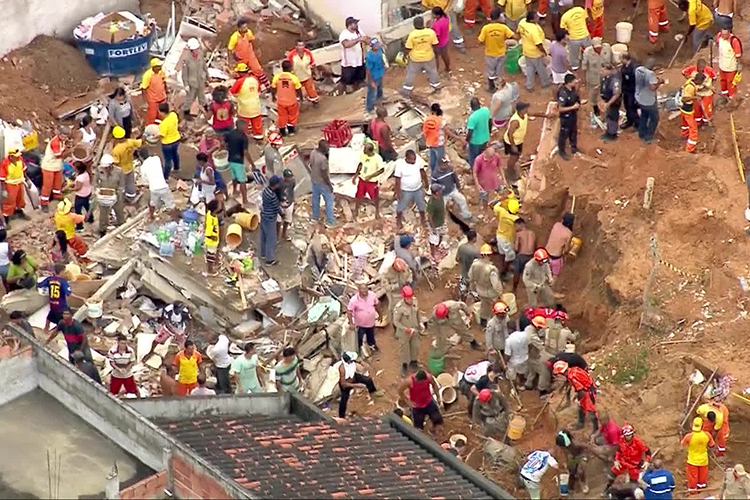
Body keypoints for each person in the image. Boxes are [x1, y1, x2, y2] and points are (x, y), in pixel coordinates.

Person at [605, 424, 652, 492]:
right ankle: (607, 488)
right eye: (626, 435)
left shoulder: (638, 442)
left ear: (632, 434)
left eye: (629, 435)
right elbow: (618, 451)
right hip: (623, 461)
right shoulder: (621, 440)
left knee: (633, 483)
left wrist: (647, 461)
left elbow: (648, 452)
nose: (628, 437)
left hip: (634, 465)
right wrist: (616, 460)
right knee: (613, 473)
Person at [553, 359, 598, 430]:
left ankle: (596, 429)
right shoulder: (573, 370)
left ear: (562, 373)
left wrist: (578, 399)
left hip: (588, 392)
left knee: (590, 410)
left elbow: (581, 391)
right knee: (581, 408)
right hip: (588, 388)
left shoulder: (573, 377)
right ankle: (581, 423)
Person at [401, 16, 441, 97]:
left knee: (411, 73)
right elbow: (435, 45)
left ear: (414, 25)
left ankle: (407, 90)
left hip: (415, 59)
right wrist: (436, 55)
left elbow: (408, 48)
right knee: (432, 71)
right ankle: (436, 87)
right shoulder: (430, 32)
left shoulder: (412, 35)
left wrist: (405, 55)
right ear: (423, 23)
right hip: (429, 56)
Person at [337, 352, 384, 418]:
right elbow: (343, 384)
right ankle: (341, 416)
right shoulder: (342, 369)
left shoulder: (352, 362)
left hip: (354, 376)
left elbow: (364, 364)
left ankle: (373, 392)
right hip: (347, 384)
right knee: (344, 400)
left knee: (368, 380)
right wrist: (357, 385)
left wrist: (363, 363)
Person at [479, 8, 515, 92]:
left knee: (490, 70)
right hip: (501, 53)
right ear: (499, 17)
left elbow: (480, 41)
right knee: (499, 71)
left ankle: (491, 87)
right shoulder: (503, 28)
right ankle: (499, 87)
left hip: (490, 53)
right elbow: (514, 36)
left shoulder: (486, 28)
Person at [228, 18, 269, 90]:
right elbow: (230, 49)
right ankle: (242, 89)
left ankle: (267, 87)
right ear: (239, 28)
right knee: (240, 74)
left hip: (250, 55)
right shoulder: (234, 37)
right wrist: (231, 61)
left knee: (258, 70)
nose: (246, 29)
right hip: (240, 58)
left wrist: (256, 50)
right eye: (243, 28)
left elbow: (252, 41)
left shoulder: (248, 32)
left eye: (246, 27)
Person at [400, 362, 443, 430]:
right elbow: (400, 391)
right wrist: (407, 401)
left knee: (437, 419)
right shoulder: (409, 381)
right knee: (418, 426)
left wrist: (438, 397)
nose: (417, 381)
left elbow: (434, 385)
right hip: (417, 406)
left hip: (429, 402)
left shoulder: (429, 377)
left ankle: (434, 430)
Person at [469, 244, 503, 326]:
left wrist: (473, 288)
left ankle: (483, 323)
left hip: (480, 290)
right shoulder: (491, 269)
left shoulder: (475, 264)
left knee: (484, 306)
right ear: (490, 255)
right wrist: (500, 293)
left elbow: (470, 277)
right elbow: (496, 285)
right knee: (494, 308)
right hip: (490, 293)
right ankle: (495, 324)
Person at [139, 149, 177, 221]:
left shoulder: (142, 167)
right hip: (163, 186)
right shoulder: (156, 159)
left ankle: (151, 216)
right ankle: (175, 219)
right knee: (171, 205)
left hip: (154, 189)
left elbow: (145, 181)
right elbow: (161, 164)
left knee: (152, 204)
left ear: (141, 157)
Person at [230, 63, 264, 141]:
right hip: (255, 106)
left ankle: (244, 138)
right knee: (257, 123)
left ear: (240, 73)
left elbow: (232, 92)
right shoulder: (255, 79)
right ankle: (259, 137)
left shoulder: (239, 82)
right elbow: (258, 90)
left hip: (244, 108)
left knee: (243, 124)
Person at [395, 150, 428, 229]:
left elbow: (422, 171)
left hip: (418, 189)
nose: (414, 161)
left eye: (415, 159)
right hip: (406, 191)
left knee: (421, 206)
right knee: (401, 206)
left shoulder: (418, 160)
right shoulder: (400, 165)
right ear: (407, 158)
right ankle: (398, 221)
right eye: (412, 160)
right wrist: (398, 192)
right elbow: (397, 179)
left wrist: (426, 182)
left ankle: (423, 220)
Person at [394, 285, 422, 376]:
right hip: (404, 332)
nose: (410, 300)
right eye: (408, 298)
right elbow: (396, 322)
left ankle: (413, 362)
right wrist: (406, 329)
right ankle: (404, 365)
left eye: (410, 298)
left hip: (415, 330)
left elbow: (418, 313)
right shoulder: (399, 308)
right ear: (404, 297)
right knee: (404, 349)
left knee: (415, 346)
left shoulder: (415, 301)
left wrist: (420, 322)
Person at [38, 263, 75, 335]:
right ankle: (54, 334)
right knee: (63, 323)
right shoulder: (63, 282)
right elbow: (68, 293)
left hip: (52, 304)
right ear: (61, 272)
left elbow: (40, 285)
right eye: (64, 272)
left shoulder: (49, 279)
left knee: (50, 316)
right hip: (61, 306)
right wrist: (81, 298)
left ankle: (46, 329)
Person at [680, 417, 714, 493]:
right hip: (703, 460)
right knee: (702, 477)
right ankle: (702, 490)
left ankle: (693, 491)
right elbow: (712, 445)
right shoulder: (707, 435)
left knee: (692, 477)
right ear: (702, 426)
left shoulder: (689, 436)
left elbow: (682, 444)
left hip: (692, 460)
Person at [582, 37, 613, 117]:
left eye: (599, 47)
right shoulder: (587, 52)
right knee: (593, 93)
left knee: (608, 92)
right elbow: (584, 66)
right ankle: (595, 108)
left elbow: (612, 60)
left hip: (606, 76)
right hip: (594, 77)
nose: (598, 49)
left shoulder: (607, 48)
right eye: (596, 48)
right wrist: (584, 80)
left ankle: (608, 107)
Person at [518, 12, 550, 91]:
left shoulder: (522, 22)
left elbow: (518, 31)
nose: (538, 17)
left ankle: (529, 85)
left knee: (529, 68)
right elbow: (538, 44)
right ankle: (545, 83)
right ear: (532, 20)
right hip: (535, 53)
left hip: (526, 50)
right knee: (541, 68)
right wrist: (544, 52)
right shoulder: (534, 30)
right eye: (536, 17)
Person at [111, 126, 143, 204]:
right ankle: (132, 197)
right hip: (130, 167)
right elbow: (140, 142)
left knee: (121, 186)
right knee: (130, 183)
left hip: (122, 170)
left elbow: (116, 162)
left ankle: (121, 200)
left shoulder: (116, 149)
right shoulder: (130, 142)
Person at [96, 153, 126, 236]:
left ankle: (122, 226)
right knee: (103, 214)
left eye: (107, 168)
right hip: (104, 195)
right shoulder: (99, 170)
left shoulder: (119, 171)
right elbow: (95, 181)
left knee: (119, 211)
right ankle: (102, 229)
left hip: (116, 194)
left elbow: (121, 184)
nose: (105, 169)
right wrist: (97, 190)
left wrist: (118, 194)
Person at [348, 281, 381, 354]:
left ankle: (372, 346)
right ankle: (358, 351)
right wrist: (351, 323)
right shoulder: (354, 300)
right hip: (360, 324)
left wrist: (380, 314)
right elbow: (349, 311)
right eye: (362, 290)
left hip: (371, 322)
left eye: (366, 289)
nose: (365, 291)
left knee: (371, 335)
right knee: (359, 338)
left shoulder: (372, 295)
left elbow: (377, 304)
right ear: (358, 290)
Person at [353, 142, 384, 220]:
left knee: (375, 197)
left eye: (365, 149)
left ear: (369, 150)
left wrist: (371, 176)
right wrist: (355, 176)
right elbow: (360, 165)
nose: (363, 150)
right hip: (362, 179)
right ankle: (356, 210)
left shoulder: (378, 158)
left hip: (372, 182)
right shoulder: (363, 156)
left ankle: (377, 212)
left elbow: (381, 170)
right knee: (358, 195)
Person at [272, 60, 303, 136]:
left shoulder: (276, 77)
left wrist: (273, 96)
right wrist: (301, 97)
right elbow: (298, 89)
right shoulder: (294, 78)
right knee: (292, 116)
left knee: (282, 116)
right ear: (290, 68)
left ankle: (282, 132)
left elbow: (273, 88)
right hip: (292, 101)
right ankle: (291, 131)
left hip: (281, 102)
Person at [309, 140, 336, 227]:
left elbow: (311, 165)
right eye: (326, 147)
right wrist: (329, 185)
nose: (328, 149)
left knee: (315, 198)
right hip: (322, 182)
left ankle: (315, 216)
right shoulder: (323, 159)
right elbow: (324, 174)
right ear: (322, 148)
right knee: (329, 200)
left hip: (314, 179)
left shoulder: (313, 152)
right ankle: (330, 220)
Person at [682, 58, 716, 128]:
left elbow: (714, 78)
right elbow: (684, 72)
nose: (701, 69)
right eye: (700, 67)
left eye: (703, 67)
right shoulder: (692, 70)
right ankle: (698, 123)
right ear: (697, 65)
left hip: (707, 93)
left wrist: (711, 86)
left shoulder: (709, 70)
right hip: (697, 93)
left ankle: (706, 123)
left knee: (706, 109)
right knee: (697, 109)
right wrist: (689, 78)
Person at [40, 127, 67, 211]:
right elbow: (58, 155)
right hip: (49, 166)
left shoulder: (62, 141)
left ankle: (56, 195)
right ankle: (44, 202)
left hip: (57, 165)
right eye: (63, 136)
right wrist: (70, 151)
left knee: (57, 182)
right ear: (59, 134)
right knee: (47, 185)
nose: (65, 138)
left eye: (66, 136)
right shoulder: (55, 142)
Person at [635, 59, 662, 143]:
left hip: (639, 97)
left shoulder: (638, 69)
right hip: (648, 100)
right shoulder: (650, 74)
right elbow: (652, 88)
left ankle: (641, 133)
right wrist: (659, 82)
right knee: (655, 118)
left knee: (644, 116)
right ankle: (648, 137)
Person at [0, 147, 29, 227]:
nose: (17, 157)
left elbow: (23, 170)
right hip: (10, 184)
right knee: (9, 202)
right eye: (15, 156)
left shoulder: (20, 159)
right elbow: (2, 178)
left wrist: (27, 180)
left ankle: (19, 211)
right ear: (11, 156)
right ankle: (6, 218)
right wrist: (4, 190)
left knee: (20, 199)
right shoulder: (5, 163)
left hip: (19, 182)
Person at [556, 429, 590, 494]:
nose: (562, 448)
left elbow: (587, 447)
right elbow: (565, 453)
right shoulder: (565, 446)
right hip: (574, 456)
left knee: (580, 471)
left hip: (582, 455)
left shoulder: (576, 444)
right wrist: (567, 462)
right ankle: (571, 485)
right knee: (571, 470)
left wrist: (585, 458)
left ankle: (584, 484)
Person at [339, 17, 368, 93]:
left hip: (359, 61)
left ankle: (360, 92)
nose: (356, 25)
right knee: (347, 81)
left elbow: (366, 38)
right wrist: (358, 39)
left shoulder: (358, 31)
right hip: (349, 63)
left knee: (360, 78)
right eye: (354, 23)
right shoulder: (344, 34)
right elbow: (346, 44)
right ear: (349, 25)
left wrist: (375, 43)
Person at [286, 41, 319, 106]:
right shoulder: (291, 55)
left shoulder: (308, 53)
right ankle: (299, 105)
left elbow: (312, 63)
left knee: (311, 92)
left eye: (302, 45)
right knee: (297, 93)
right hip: (296, 77)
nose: (301, 47)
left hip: (307, 75)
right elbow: (287, 66)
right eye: (299, 46)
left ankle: (315, 104)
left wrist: (316, 73)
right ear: (296, 47)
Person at [503, 102, 529, 186]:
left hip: (518, 141)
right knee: (513, 157)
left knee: (517, 155)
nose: (527, 110)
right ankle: (509, 172)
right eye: (525, 109)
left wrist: (545, 115)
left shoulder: (524, 115)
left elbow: (533, 113)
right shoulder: (515, 121)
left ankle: (511, 168)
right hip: (512, 142)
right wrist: (513, 146)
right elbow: (509, 134)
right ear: (521, 110)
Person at [225, 120, 250, 205]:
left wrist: (229, 151)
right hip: (239, 161)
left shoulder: (230, 134)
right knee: (242, 181)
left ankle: (235, 191)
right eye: (245, 126)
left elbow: (225, 145)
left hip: (230, 159)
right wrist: (252, 164)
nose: (246, 128)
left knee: (234, 177)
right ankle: (245, 200)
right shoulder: (243, 137)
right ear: (241, 126)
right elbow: (245, 152)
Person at [492, 196, 520, 273]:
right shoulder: (515, 219)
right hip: (507, 240)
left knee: (502, 252)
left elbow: (494, 205)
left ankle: (501, 264)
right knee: (510, 256)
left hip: (499, 235)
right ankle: (504, 270)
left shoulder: (502, 212)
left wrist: (503, 199)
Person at [181, 37, 207, 120]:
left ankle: (207, 111)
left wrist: (207, 75)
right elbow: (184, 73)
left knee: (202, 96)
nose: (195, 52)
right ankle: (186, 112)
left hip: (201, 80)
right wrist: (186, 85)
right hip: (192, 83)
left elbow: (204, 65)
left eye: (196, 49)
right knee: (190, 98)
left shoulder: (200, 54)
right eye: (193, 50)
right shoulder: (186, 59)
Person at [560, 5, 591, 72]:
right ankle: (588, 62)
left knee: (574, 54)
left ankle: (575, 66)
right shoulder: (580, 9)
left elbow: (562, 29)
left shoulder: (564, 16)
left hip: (574, 38)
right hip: (585, 35)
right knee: (589, 50)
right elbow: (587, 19)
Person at [557, 73, 581, 160]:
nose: (576, 82)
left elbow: (575, 96)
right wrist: (573, 107)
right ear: (569, 83)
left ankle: (574, 147)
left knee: (573, 132)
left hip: (573, 115)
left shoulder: (572, 88)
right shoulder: (563, 93)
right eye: (574, 81)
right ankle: (561, 151)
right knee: (564, 134)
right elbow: (560, 109)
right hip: (566, 117)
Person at [523, 315, 549, 393]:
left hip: (529, 354)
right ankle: (541, 389)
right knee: (542, 371)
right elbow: (540, 346)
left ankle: (528, 385)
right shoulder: (531, 335)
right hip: (533, 355)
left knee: (532, 370)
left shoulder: (529, 329)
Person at [261, 175, 283, 265]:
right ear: (276, 185)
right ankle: (269, 259)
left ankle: (263, 253)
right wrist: (282, 214)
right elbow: (277, 207)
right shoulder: (273, 196)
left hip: (263, 215)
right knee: (271, 239)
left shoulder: (265, 191)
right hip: (270, 218)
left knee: (263, 236)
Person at [383, 258, 412, 324]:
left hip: (404, 292)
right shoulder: (387, 273)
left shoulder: (404, 266)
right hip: (394, 295)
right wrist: (396, 286)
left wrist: (409, 280)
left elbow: (409, 273)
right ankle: (394, 322)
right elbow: (386, 287)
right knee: (394, 309)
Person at [680, 72, 704, 153]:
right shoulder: (690, 87)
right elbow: (684, 98)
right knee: (694, 130)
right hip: (687, 110)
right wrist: (695, 97)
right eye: (701, 82)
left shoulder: (691, 81)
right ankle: (689, 149)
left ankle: (684, 134)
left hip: (684, 109)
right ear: (698, 80)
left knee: (685, 124)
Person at [715, 29, 742, 100]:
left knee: (731, 83)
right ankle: (724, 96)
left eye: (725, 35)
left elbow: (738, 55)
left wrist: (739, 66)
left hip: (731, 67)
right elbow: (717, 44)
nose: (723, 36)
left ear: (729, 33)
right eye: (722, 34)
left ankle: (732, 98)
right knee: (723, 81)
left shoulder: (734, 41)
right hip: (722, 65)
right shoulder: (719, 36)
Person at [546, 213, 574, 278]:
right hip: (555, 258)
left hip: (546, 254)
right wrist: (571, 245)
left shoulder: (556, 225)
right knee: (555, 276)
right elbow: (566, 250)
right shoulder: (568, 233)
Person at [599, 63, 622, 142]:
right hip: (607, 100)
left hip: (613, 102)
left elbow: (616, 94)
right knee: (608, 116)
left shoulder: (615, 80)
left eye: (603, 70)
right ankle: (608, 131)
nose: (601, 72)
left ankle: (612, 135)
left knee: (613, 116)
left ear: (608, 70)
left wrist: (608, 104)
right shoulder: (605, 77)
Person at [157, 103, 181, 178]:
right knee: (175, 154)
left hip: (167, 143)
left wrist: (154, 135)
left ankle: (165, 176)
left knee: (167, 160)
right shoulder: (173, 115)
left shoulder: (164, 124)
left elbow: (161, 135)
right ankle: (177, 168)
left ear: (162, 112)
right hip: (176, 139)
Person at [466, 97, 491, 168]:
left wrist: (467, 141)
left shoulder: (472, 117)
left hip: (475, 142)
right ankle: (482, 167)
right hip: (485, 138)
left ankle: (474, 169)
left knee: (473, 157)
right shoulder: (486, 110)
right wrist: (489, 132)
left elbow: (470, 132)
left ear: (471, 107)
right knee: (482, 154)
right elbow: (490, 121)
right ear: (479, 104)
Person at [141, 58, 167, 125]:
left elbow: (164, 81)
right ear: (154, 67)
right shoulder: (147, 75)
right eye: (158, 66)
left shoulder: (161, 72)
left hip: (162, 97)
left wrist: (166, 91)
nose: (160, 67)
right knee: (152, 116)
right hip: (153, 100)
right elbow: (144, 88)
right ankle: (149, 129)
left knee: (162, 114)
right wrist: (145, 101)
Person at [513, 217, 536, 292]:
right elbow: (535, 246)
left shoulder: (519, 234)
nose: (515, 228)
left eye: (516, 226)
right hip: (531, 256)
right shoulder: (533, 233)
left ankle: (514, 288)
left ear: (521, 224)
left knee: (516, 272)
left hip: (521, 256)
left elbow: (516, 248)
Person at [365, 39, 387, 114]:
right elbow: (368, 70)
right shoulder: (369, 56)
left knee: (380, 88)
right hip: (373, 76)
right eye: (376, 45)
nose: (377, 46)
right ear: (372, 46)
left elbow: (382, 58)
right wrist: (371, 82)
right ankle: (369, 108)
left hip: (380, 73)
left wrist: (384, 65)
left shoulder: (379, 50)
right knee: (371, 92)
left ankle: (379, 99)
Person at [423, 103, 447, 172]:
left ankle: (433, 175)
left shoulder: (426, 119)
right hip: (438, 144)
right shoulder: (440, 120)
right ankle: (439, 176)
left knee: (432, 162)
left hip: (430, 143)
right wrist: (457, 138)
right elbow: (447, 131)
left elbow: (425, 132)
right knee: (440, 162)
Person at [426, 184, 446, 260]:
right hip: (435, 224)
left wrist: (444, 218)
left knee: (441, 235)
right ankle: (433, 253)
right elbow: (429, 216)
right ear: (436, 192)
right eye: (439, 190)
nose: (441, 191)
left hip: (441, 222)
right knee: (433, 240)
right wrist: (433, 227)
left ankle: (437, 248)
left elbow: (443, 207)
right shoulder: (431, 203)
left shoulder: (440, 197)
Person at [72, 162, 94, 230]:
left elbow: (78, 188)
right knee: (87, 207)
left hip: (81, 195)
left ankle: (79, 226)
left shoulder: (80, 178)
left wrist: (69, 189)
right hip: (88, 193)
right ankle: (90, 219)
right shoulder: (86, 173)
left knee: (78, 211)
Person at [620, 52, 639, 130]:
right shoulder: (624, 66)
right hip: (626, 90)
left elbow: (636, 82)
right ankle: (629, 121)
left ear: (625, 59)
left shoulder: (634, 69)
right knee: (627, 106)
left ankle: (637, 123)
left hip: (632, 91)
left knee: (632, 107)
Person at [202, 199, 220, 276]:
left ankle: (211, 267)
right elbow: (209, 232)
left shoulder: (210, 214)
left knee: (211, 255)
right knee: (210, 256)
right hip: (211, 241)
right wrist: (214, 237)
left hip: (212, 240)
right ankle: (210, 271)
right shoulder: (211, 219)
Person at [431, 7, 451, 74]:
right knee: (445, 55)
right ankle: (447, 68)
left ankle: (436, 71)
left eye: (433, 14)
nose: (432, 16)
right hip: (445, 40)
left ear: (438, 15)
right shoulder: (446, 18)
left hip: (438, 43)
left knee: (436, 57)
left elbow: (437, 35)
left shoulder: (437, 24)